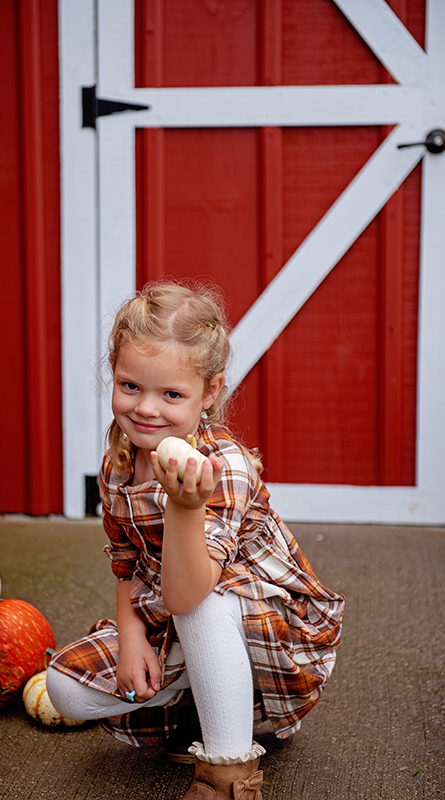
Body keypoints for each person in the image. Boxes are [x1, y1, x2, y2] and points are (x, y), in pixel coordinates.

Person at [47, 282, 345, 799]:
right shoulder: (118, 466)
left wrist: (185, 505)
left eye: (171, 394)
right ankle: (203, 704)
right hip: (175, 618)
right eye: (130, 386)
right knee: (63, 687)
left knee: (204, 604)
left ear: (209, 393)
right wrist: (131, 637)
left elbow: (189, 594)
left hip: (268, 635)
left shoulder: (222, 465)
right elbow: (127, 565)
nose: (146, 409)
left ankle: (229, 776)